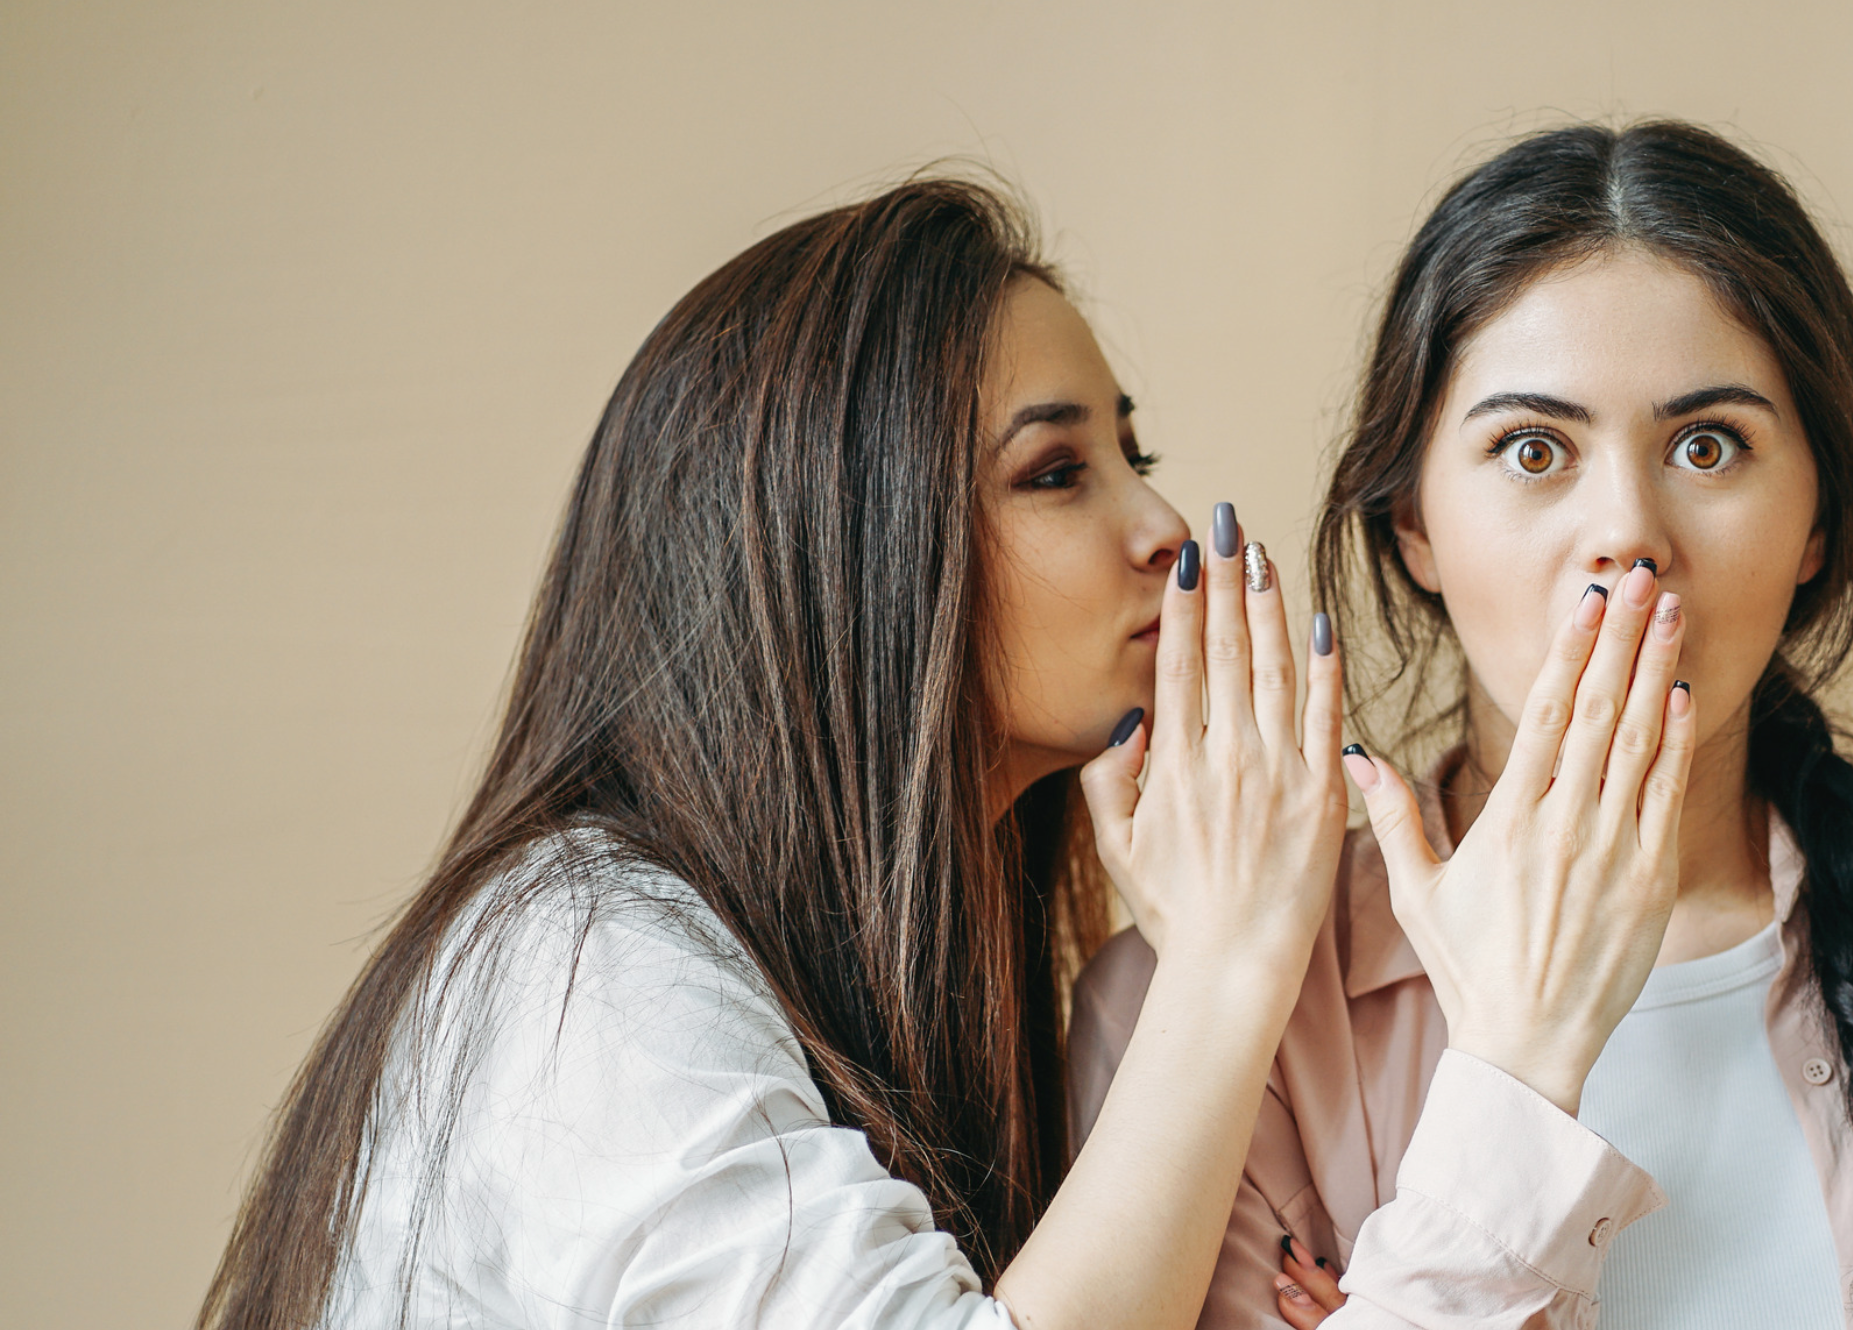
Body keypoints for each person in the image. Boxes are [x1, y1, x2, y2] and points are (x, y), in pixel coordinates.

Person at [1070, 121, 1853, 1330]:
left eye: (1706, 446)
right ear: (1412, 525)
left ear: (1817, 520)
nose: (1628, 530)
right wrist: (1514, 1067)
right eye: (1532, 448)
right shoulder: (1197, 1017)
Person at [199, 177, 1368, 1330]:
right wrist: (1228, 955)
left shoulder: (917, 976)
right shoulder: (585, 964)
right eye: (1055, 472)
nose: (1163, 528)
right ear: (848, 545)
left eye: (1133, 458)